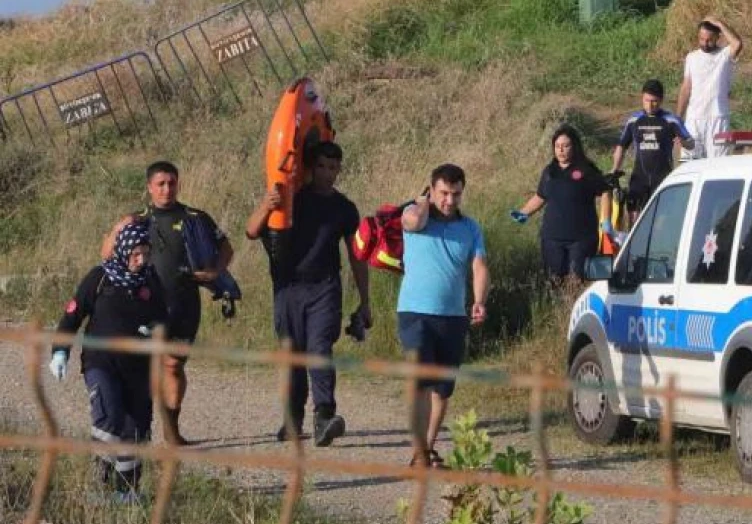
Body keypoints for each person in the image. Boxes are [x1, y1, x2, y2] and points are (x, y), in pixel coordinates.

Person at [245, 141, 370, 446]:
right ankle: (293, 418)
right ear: (311, 168)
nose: (328, 174)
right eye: (322, 167)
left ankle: (324, 416)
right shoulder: (291, 199)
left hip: (324, 288)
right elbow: (251, 231)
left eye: (333, 167)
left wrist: (365, 301)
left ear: (339, 169)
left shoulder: (344, 208)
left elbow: (356, 255)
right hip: (288, 287)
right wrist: (266, 204)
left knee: (319, 349)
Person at [100, 161, 233, 446]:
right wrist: (116, 228)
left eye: (171, 183)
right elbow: (106, 254)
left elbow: (226, 247)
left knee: (173, 365)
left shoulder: (195, 217)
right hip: (142, 305)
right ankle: (134, 429)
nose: (166, 189)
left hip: (184, 304)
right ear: (149, 187)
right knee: (141, 367)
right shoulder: (136, 221)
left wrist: (216, 272)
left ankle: (172, 429)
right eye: (160, 184)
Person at [51, 221, 167, 502]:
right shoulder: (100, 278)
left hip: (138, 368)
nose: (141, 260)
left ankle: (126, 492)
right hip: (100, 363)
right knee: (108, 415)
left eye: (145, 254)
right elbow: (72, 315)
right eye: (135, 254)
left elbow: (164, 316)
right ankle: (99, 484)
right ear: (124, 251)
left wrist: (155, 328)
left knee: (136, 430)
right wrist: (60, 351)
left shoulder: (151, 281)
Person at [398, 164, 489, 468]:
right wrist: (423, 200)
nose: (450, 201)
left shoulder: (470, 228)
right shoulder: (415, 214)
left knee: (442, 389)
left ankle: (425, 449)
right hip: (415, 313)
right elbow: (411, 222)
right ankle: (421, 453)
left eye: (456, 194)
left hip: (452, 316)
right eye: (444, 193)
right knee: (421, 382)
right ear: (432, 190)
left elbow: (479, 267)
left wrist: (479, 300)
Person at [510, 125, 612, 282]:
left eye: (565, 146)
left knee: (578, 278)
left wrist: (606, 220)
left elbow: (605, 191)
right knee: (554, 279)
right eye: (557, 146)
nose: (561, 150)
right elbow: (540, 196)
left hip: (581, 238)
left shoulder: (586, 169)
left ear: (575, 146)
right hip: (552, 237)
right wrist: (524, 213)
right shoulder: (550, 172)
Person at [608, 79, 694, 223]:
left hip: (661, 177)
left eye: (654, 101)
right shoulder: (634, 120)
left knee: (660, 221)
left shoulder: (670, 120)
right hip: (639, 177)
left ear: (661, 100)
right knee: (634, 222)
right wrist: (614, 169)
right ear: (642, 97)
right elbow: (621, 146)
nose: (650, 105)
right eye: (647, 100)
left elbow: (691, 143)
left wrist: (683, 142)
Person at [676, 16, 743, 160]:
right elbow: (686, 88)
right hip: (694, 120)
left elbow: (737, 43)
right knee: (689, 163)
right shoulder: (691, 58)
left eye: (709, 40)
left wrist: (719, 23)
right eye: (701, 39)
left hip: (717, 118)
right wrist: (678, 119)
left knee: (718, 166)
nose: (704, 43)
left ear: (718, 37)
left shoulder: (724, 56)